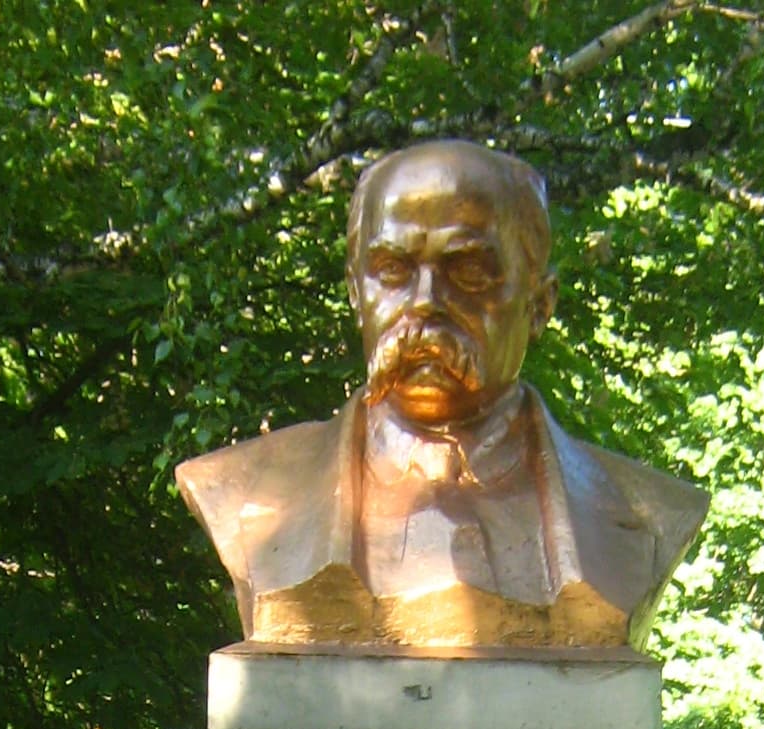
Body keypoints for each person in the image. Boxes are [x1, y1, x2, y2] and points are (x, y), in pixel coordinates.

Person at [176, 139, 707, 650]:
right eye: (393, 271)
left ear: (539, 304)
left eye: (469, 271)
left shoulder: (648, 514)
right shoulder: (244, 493)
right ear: (356, 295)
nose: (426, 303)